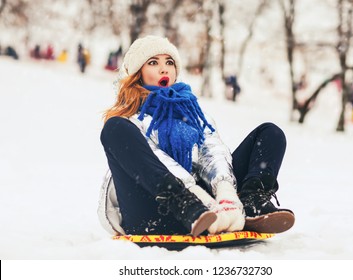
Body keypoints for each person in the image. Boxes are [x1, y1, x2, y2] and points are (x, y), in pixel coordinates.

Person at [98, 35, 295, 237]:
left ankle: (249, 206)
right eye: (153, 63)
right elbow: (155, 159)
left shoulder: (192, 113)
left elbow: (212, 153)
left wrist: (226, 192)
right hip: (156, 211)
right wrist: (195, 195)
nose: (164, 68)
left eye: (169, 62)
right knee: (114, 128)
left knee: (270, 134)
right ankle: (187, 205)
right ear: (138, 73)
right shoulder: (129, 121)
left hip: (209, 214)